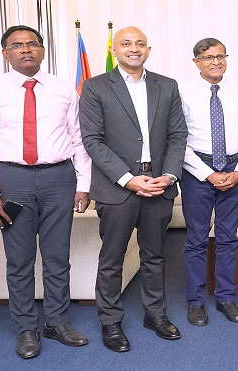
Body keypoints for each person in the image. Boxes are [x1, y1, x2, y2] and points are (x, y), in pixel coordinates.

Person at [0, 25, 92, 359]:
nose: (25, 49)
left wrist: (83, 184)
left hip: (59, 179)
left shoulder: (64, 88)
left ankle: (56, 322)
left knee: (57, 256)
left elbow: (79, 139)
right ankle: (26, 327)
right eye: (17, 45)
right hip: (12, 180)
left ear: (42, 49)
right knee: (19, 259)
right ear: (5, 53)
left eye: (32, 43)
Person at [79, 26, 188, 352]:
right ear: (114, 49)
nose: (134, 48)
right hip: (118, 188)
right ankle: (111, 322)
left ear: (148, 50)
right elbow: (92, 140)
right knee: (112, 258)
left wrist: (169, 175)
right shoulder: (95, 86)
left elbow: (178, 135)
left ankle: (155, 315)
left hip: (158, 185)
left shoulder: (167, 86)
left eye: (140, 43)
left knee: (155, 256)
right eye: (126, 43)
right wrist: (127, 178)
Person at [180, 38, 238, 326]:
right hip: (197, 172)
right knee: (197, 239)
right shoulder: (183, 92)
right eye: (208, 57)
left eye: (220, 56)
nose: (215, 62)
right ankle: (195, 302)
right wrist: (207, 173)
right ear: (196, 62)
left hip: (234, 169)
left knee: (228, 238)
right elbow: (177, 139)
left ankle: (226, 297)